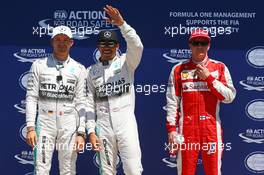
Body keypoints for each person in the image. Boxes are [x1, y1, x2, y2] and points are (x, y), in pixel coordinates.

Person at [166, 28, 236, 175]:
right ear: (190, 45)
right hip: (186, 131)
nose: (199, 46)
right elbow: (172, 102)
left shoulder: (219, 67)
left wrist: (209, 78)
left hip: (211, 130)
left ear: (209, 45)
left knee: (213, 172)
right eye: (195, 42)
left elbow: (229, 97)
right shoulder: (178, 69)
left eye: (203, 43)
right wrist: (172, 130)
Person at [86, 5, 143, 175]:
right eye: (103, 43)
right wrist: (91, 131)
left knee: (133, 170)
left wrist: (122, 24)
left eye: (111, 43)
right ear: (98, 46)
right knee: (107, 171)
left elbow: (137, 46)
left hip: (126, 124)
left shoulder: (127, 62)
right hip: (103, 126)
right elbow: (89, 104)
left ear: (117, 45)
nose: (107, 47)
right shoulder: (91, 71)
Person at [26, 25, 87, 175]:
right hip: (45, 122)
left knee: (68, 170)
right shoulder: (39, 65)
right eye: (58, 39)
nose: (62, 43)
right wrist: (30, 127)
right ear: (52, 42)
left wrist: (81, 132)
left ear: (71, 43)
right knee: (41, 169)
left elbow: (81, 102)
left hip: (69, 123)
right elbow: (32, 97)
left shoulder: (79, 69)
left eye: (65, 40)